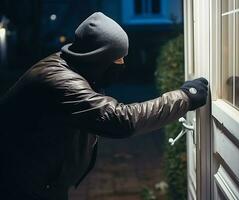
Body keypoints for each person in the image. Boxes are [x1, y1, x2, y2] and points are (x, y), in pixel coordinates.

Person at [0, 12, 208, 200]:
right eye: (117, 58)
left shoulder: (74, 67)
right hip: (19, 183)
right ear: (97, 57)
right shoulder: (61, 81)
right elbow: (120, 120)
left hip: (41, 178)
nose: (122, 63)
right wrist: (184, 97)